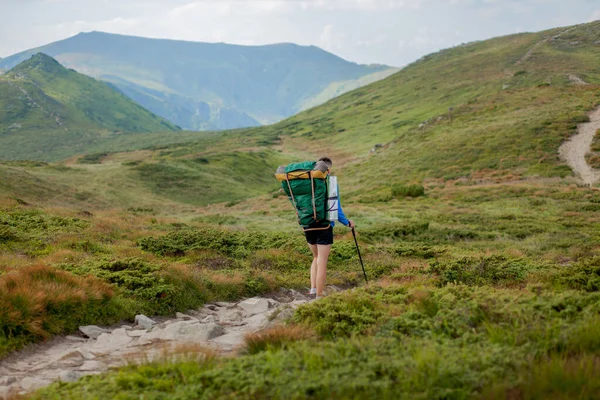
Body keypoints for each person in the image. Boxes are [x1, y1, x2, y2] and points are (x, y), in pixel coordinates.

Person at [305, 157, 354, 299]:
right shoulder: (330, 183)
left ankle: (313, 289)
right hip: (324, 226)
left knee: (316, 257)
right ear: (328, 169)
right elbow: (335, 208)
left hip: (307, 225)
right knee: (322, 262)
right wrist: (347, 222)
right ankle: (320, 296)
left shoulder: (308, 182)